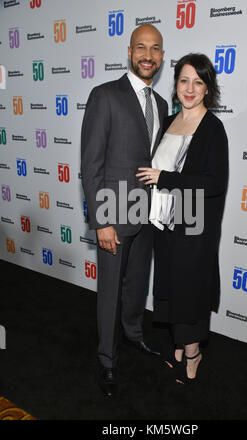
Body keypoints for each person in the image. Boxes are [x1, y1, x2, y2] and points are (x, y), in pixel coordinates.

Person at [81, 24, 168, 396]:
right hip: (114, 216)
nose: (147, 55)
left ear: (162, 56)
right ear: (129, 52)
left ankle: (134, 335)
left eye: (155, 49)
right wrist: (101, 221)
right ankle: (106, 360)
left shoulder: (163, 104)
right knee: (110, 290)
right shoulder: (105, 96)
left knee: (136, 288)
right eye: (141, 48)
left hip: (148, 216)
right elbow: (92, 164)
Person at [136, 53, 228, 385]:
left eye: (198, 82)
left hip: (194, 228)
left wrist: (165, 178)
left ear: (207, 88)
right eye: (183, 80)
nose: (190, 88)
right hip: (165, 224)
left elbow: (214, 183)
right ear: (176, 84)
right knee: (171, 288)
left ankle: (194, 353)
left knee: (189, 292)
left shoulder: (213, 129)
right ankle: (178, 345)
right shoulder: (170, 120)